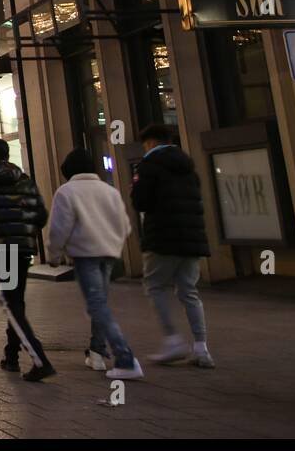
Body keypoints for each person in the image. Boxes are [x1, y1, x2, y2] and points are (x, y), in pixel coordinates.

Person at [47, 149, 143, 380]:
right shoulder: (109, 191)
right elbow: (126, 226)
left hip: (85, 254)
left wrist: (54, 254)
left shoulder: (66, 192)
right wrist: (112, 242)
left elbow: (59, 228)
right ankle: (97, 351)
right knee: (100, 304)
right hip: (109, 254)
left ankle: (125, 358)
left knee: (97, 305)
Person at [0, 137, 55, 382]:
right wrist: (26, 231)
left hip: (0, 248)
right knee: (16, 301)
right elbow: (40, 213)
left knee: (10, 303)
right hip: (23, 248)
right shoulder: (24, 179)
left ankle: (39, 358)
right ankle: (12, 355)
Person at [132, 124, 214, 368]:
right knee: (189, 291)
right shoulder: (188, 167)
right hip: (191, 239)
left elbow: (141, 201)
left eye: (145, 145)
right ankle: (202, 347)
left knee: (155, 286)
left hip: (163, 237)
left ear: (151, 143)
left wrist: (135, 189)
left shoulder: (148, 166)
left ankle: (172, 340)